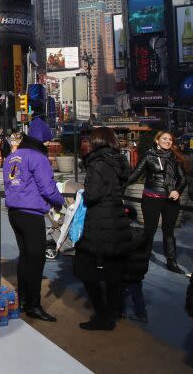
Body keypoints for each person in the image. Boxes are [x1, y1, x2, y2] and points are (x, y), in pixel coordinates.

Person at [2, 117, 64, 322]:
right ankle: (34, 305)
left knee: (25, 257)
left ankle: (22, 300)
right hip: (31, 212)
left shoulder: (14, 156)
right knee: (36, 259)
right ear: (42, 140)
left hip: (14, 211)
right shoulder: (38, 158)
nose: (48, 144)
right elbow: (47, 187)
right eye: (47, 141)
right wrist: (59, 201)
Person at [74, 127, 133, 331]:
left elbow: (92, 195)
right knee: (114, 272)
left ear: (97, 141)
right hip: (117, 220)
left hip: (99, 221)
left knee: (84, 268)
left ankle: (103, 315)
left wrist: (82, 193)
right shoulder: (119, 161)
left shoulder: (97, 164)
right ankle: (112, 312)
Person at [126, 130, 188, 274]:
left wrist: (177, 191)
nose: (168, 141)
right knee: (150, 230)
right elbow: (135, 175)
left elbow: (183, 179)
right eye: (164, 139)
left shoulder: (174, 157)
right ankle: (143, 257)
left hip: (171, 200)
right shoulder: (149, 156)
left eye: (170, 140)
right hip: (151, 198)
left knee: (169, 231)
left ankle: (171, 262)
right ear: (157, 140)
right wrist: (117, 185)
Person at [120, 206, 149, 323]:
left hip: (123, 270)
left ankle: (120, 311)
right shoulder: (142, 234)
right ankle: (142, 315)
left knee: (119, 291)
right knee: (137, 293)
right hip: (137, 272)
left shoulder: (120, 235)